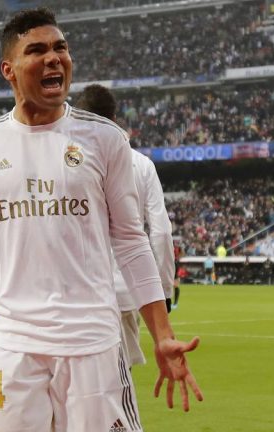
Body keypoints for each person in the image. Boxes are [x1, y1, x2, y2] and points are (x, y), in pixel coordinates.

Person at [0, 8, 202, 431]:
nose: (53, 58)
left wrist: (163, 333)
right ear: (9, 70)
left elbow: (131, 242)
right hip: (11, 344)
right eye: (37, 50)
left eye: (61, 48)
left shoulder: (105, 140)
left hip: (93, 342)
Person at [74, 84, 175, 369]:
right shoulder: (141, 165)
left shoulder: (65, 163)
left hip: (78, 293)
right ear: (115, 118)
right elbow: (161, 232)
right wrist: (163, 291)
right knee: (121, 380)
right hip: (125, 289)